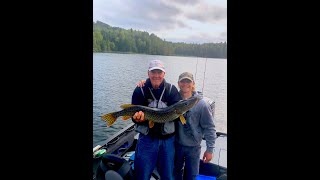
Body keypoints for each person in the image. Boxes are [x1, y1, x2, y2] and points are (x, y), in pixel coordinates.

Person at [136, 72, 217, 180]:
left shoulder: (202, 104)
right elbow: (158, 89)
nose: (185, 84)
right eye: (182, 81)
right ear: (178, 84)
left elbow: (210, 127)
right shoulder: (174, 96)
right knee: (175, 174)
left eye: (188, 81)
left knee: (192, 176)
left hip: (193, 148)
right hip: (176, 144)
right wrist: (145, 82)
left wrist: (210, 149)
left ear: (193, 83)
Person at [131, 59, 182, 180]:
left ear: (164, 74)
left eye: (159, 72)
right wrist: (137, 119)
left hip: (167, 142)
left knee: (168, 175)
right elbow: (133, 117)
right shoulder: (140, 89)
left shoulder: (171, 90)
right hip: (147, 140)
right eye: (153, 72)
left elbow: (178, 116)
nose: (156, 76)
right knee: (142, 175)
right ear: (148, 73)